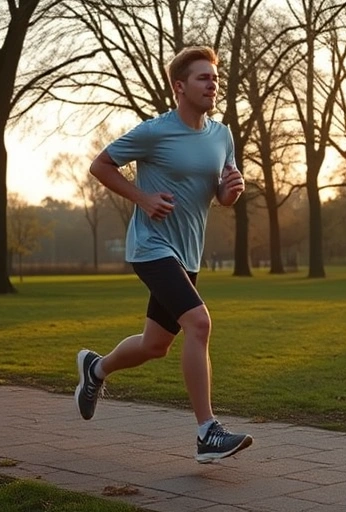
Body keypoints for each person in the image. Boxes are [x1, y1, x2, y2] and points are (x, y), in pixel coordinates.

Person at [74, 46, 251, 464]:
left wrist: (230, 193)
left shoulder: (221, 135)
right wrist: (143, 198)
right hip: (152, 247)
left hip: (188, 254)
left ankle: (95, 370)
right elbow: (100, 166)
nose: (212, 84)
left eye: (215, 78)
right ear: (180, 86)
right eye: (203, 78)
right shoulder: (155, 131)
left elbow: (222, 195)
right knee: (199, 322)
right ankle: (207, 433)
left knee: (156, 345)